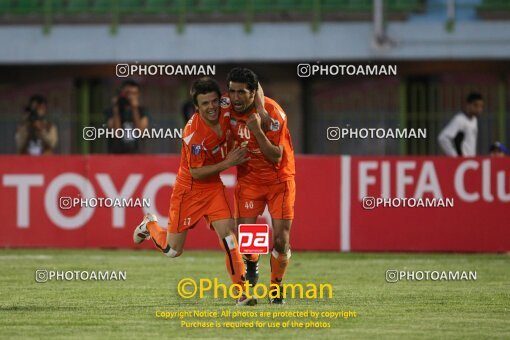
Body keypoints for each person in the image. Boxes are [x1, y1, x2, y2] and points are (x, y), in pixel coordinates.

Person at [132, 77, 256, 306]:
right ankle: (149, 224)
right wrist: (229, 162)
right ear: (196, 107)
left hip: (213, 187)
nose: (212, 107)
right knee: (173, 251)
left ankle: (242, 293)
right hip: (189, 190)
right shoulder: (193, 134)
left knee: (229, 237)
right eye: (205, 104)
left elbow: (253, 95)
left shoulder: (227, 106)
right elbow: (197, 173)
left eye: (214, 101)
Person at [221, 67, 296, 304]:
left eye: (242, 92)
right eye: (232, 91)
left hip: (279, 179)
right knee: (246, 239)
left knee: (281, 240)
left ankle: (276, 287)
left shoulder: (273, 115)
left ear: (254, 93)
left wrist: (256, 131)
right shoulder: (227, 108)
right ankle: (252, 261)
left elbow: (276, 156)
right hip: (249, 179)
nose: (235, 97)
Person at [105, 80, 150, 153]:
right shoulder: (112, 111)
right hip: (116, 154)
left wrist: (134, 109)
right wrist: (116, 109)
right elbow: (116, 133)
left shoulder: (142, 111)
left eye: (134, 94)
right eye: (128, 93)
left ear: (138, 94)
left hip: (137, 154)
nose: (130, 97)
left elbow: (141, 133)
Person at [438, 92, 483, 157]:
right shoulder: (459, 120)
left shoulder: (474, 120)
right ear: (468, 105)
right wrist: (454, 156)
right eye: (476, 105)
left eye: (481, 106)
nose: (479, 109)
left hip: (471, 160)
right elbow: (443, 138)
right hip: (462, 162)